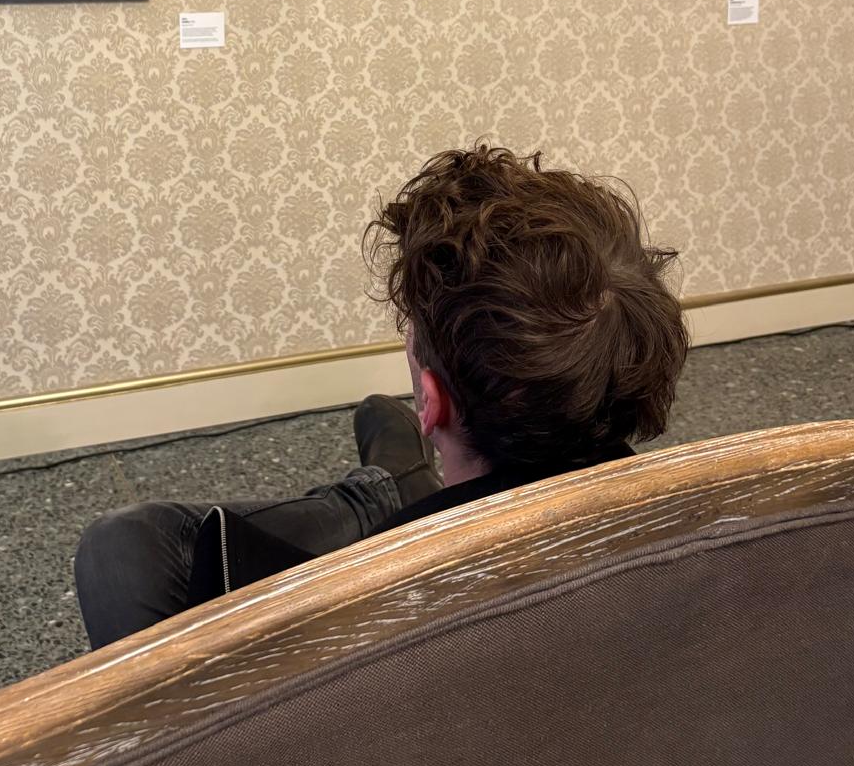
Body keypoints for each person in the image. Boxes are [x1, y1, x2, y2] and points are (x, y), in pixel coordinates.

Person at [75, 145, 688, 649]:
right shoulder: (707, 538)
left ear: (430, 404)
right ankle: (396, 482)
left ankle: (380, 489)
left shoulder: (354, 606)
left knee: (125, 543)